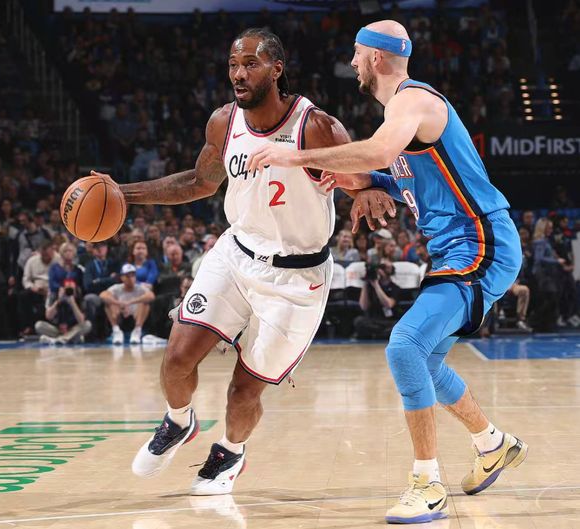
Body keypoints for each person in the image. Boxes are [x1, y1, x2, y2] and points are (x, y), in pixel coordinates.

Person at [247, 20, 527, 524]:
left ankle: (427, 483)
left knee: (404, 346)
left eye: (356, 54)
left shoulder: (412, 101)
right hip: (460, 248)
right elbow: (403, 175)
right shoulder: (404, 113)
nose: (352, 63)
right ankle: (493, 444)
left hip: (481, 244)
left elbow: (379, 150)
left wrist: (295, 156)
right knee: (428, 363)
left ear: (375, 56)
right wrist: (364, 183)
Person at [91, 28, 392, 495]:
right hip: (235, 254)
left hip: (297, 278)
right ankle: (179, 421)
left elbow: (360, 172)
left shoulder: (315, 126)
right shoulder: (223, 122)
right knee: (176, 359)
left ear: (276, 69)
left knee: (242, 392)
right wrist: (120, 194)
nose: (238, 73)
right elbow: (199, 182)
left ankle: (230, 452)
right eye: (233, 65)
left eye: (251, 64)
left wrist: (370, 189)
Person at [100, 263, 155, 345]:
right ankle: (116, 330)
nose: (131, 278)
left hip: (136, 315)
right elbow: (102, 295)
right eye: (128, 276)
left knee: (145, 303)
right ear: (122, 277)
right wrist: (119, 303)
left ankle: (137, 330)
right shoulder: (116, 288)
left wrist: (130, 302)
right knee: (108, 303)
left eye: (133, 275)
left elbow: (151, 296)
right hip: (119, 315)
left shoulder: (140, 288)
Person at [352, 260, 402, 339]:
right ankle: (381, 334)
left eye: (384, 267)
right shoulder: (369, 286)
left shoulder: (395, 288)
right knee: (358, 321)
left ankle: (375, 334)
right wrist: (365, 283)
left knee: (399, 325)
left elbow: (389, 304)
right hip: (373, 320)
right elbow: (364, 306)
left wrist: (376, 286)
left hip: (389, 321)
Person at [35, 278, 92, 345]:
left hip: (73, 329)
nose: (68, 292)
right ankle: (68, 339)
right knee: (39, 325)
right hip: (56, 329)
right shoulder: (54, 296)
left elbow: (81, 320)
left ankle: (59, 339)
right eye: (67, 289)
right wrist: (58, 301)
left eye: (71, 290)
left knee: (88, 325)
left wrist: (73, 303)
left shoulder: (80, 298)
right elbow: (48, 316)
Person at [83, 241, 119, 338]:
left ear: (107, 248)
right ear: (92, 250)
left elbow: (117, 280)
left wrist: (98, 281)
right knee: (89, 299)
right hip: (96, 295)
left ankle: (115, 331)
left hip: (112, 294)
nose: (99, 249)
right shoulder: (89, 265)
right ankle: (91, 334)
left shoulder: (113, 263)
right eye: (96, 247)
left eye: (102, 246)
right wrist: (108, 279)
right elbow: (88, 285)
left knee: (114, 298)